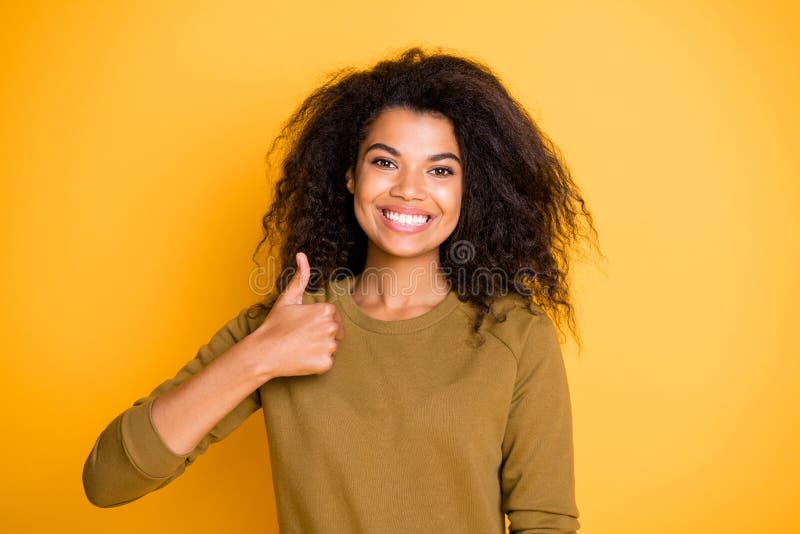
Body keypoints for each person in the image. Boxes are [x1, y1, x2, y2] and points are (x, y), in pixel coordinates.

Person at [82, 46, 601, 533]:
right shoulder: (283, 326)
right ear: (351, 175)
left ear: (470, 190)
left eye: (440, 170)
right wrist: (259, 356)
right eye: (385, 161)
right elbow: (106, 481)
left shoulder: (513, 335)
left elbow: (546, 522)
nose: (409, 188)